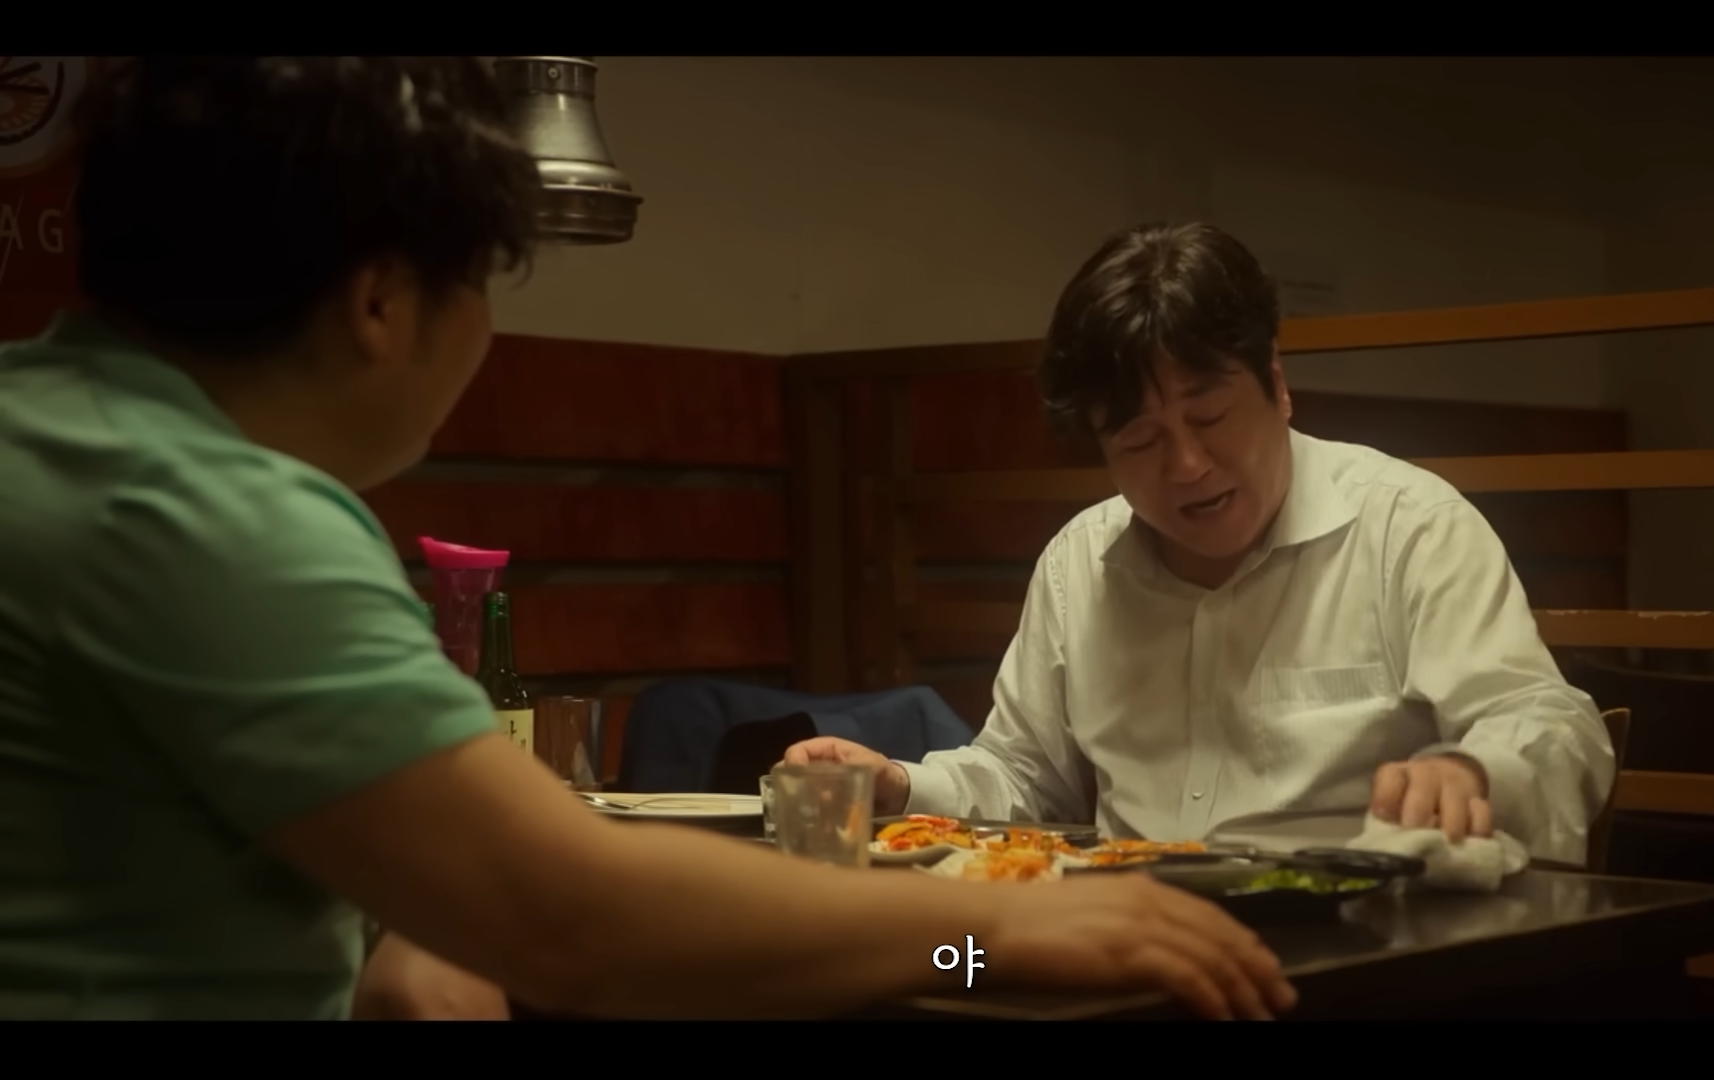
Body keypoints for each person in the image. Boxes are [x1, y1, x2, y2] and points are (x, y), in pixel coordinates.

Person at [0, 58, 1293, 1021]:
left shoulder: (50, 433)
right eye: (484, 282)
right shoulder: (206, 514)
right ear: (382, 302)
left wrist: (399, 927)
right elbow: (572, 918)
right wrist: (986, 944)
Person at [784, 222, 1616, 865]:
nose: (1186, 465)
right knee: (944, 971)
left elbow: (1550, 723)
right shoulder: (1080, 565)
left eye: (1210, 416)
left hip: (1358, 943)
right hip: (1129, 940)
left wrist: (1472, 770)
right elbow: (1024, 776)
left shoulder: (1407, 526)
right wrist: (899, 786)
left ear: (1276, 386)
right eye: (1140, 441)